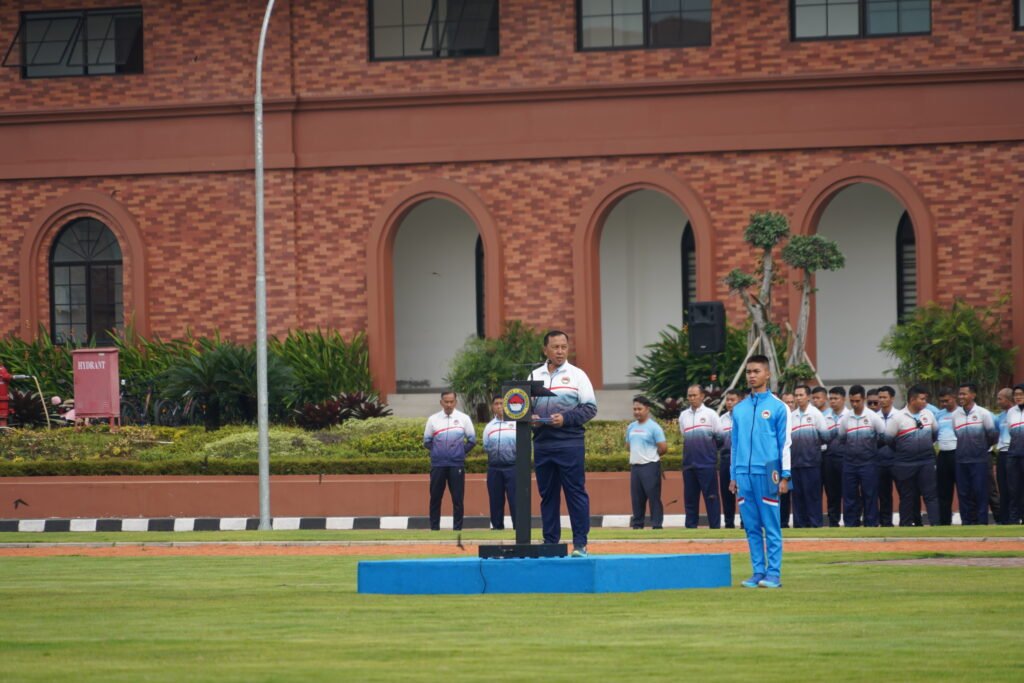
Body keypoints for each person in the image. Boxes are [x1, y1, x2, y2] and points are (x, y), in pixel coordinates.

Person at [529, 330, 597, 557]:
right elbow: (523, 408)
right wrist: (531, 418)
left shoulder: (578, 375)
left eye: (564, 347)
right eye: (555, 347)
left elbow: (590, 408)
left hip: (570, 443)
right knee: (548, 495)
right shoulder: (533, 376)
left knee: (575, 493)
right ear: (545, 350)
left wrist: (565, 419)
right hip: (542, 444)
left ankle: (580, 544)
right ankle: (550, 543)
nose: (560, 351)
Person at [729, 355, 791, 588]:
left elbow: (785, 444)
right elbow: (735, 445)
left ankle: (773, 573)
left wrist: (785, 475)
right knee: (751, 527)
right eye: (748, 372)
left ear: (767, 374)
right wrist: (733, 475)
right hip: (743, 475)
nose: (752, 375)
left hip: (768, 474)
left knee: (771, 526)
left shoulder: (779, 407)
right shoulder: (739, 409)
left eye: (756, 371)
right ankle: (758, 572)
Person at [885, 385, 939, 526]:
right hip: (905, 463)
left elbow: (934, 434)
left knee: (931, 495)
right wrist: (905, 451)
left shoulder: (929, 414)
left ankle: (936, 525)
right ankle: (905, 525)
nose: (925, 402)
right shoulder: (897, 418)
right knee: (907, 496)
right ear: (912, 400)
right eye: (922, 399)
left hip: (926, 461)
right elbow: (889, 440)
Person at [423, 390, 476, 531]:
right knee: (435, 498)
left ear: (455, 402)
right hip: (438, 465)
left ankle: (457, 529)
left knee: (457, 499)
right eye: (446, 402)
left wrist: (459, 452)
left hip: (456, 464)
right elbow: (427, 441)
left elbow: (472, 440)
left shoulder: (464, 418)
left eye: (451, 402)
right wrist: (438, 452)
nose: (449, 404)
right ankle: (434, 529)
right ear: (441, 402)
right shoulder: (433, 419)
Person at [952, 383, 999, 525]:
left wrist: (980, 448)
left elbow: (992, 436)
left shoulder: (983, 413)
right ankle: (967, 522)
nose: (961, 397)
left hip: (979, 460)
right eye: (960, 394)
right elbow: (957, 434)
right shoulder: (955, 415)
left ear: (973, 395)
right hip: (961, 460)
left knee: (980, 492)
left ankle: (982, 522)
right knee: (964, 493)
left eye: (964, 394)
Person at [839, 385, 885, 527]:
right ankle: (850, 524)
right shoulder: (846, 418)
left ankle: (871, 524)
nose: (854, 404)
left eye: (857, 401)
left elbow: (883, 437)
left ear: (864, 399)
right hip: (850, 463)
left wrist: (870, 450)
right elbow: (842, 438)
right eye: (852, 401)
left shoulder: (873, 417)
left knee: (870, 494)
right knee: (849, 495)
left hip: (868, 462)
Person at [679, 384, 722, 529]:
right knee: (690, 499)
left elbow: (720, 438)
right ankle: (691, 528)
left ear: (702, 396)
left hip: (707, 464)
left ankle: (715, 528)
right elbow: (685, 436)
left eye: (694, 395)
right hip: (689, 465)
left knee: (711, 498)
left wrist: (710, 454)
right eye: (689, 396)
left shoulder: (711, 414)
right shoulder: (683, 416)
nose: (691, 398)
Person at [789, 385, 830, 528]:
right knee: (797, 497)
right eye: (796, 395)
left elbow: (825, 437)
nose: (798, 398)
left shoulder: (816, 414)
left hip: (811, 463)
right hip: (795, 464)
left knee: (812, 496)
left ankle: (815, 525)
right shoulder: (792, 416)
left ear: (808, 397)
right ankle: (799, 526)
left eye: (801, 395)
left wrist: (813, 450)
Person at [626, 395, 667, 530]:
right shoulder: (631, 427)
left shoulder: (654, 427)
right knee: (637, 499)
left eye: (640, 409)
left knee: (653, 497)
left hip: (650, 466)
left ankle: (656, 525)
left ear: (647, 409)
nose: (637, 412)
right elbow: (628, 446)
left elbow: (663, 447)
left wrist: (651, 455)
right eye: (635, 409)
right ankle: (638, 525)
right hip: (635, 467)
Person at [482, 395, 517, 531]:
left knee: (515, 500)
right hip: (494, 468)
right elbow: (486, 446)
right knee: (495, 500)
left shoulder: (516, 424)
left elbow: (524, 446)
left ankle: (518, 528)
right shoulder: (489, 427)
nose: (499, 406)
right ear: (492, 407)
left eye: (502, 403)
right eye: (496, 404)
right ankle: (497, 527)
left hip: (513, 467)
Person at [931, 388, 959, 525]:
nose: (944, 404)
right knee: (943, 491)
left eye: (947, 401)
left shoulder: (961, 413)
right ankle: (944, 522)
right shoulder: (939, 415)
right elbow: (933, 434)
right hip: (943, 454)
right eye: (941, 401)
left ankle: (969, 521)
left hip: (958, 453)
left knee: (964, 490)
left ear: (954, 397)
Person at [822, 386, 849, 527]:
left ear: (843, 399)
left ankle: (851, 521)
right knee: (832, 493)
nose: (832, 401)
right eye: (830, 398)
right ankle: (833, 522)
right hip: (829, 458)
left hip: (846, 458)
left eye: (836, 398)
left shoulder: (850, 416)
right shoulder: (824, 417)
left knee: (848, 492)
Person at [874, 386, 899, 526]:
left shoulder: (899, 415)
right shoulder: (873, 416)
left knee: (904, 492)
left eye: (885, 397)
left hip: (897, 460)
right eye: (880, 397)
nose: (882, 400)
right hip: (879, 461)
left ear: (892, 398)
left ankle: (908, 521)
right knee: (883, 495)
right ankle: (886, 522)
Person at [717, 389, 741, 529]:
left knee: (743, 493)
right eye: (728, 400)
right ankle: (729, 523)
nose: (729, 403)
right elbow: (718, 441)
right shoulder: (721, 419)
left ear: (740, 401)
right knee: (726, 494)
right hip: (726, 460)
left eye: (733, 400)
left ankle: (745, 523)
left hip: (742, 460)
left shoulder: (745, 418)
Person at [993, 388, 1013, 524]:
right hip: (1002, 454)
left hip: (1015, 453)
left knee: (1015, 487)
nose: (998, 402)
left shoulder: (1019, 414)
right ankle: (1005, 519)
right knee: (1003, 487)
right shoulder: (999, 417)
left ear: (1009, 399)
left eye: (1000, 399)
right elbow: (994, 434)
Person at [1006, 384, 1024, 525]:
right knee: (1013, 489)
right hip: (1013, 455)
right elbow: (1010, 432)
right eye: (1016, 394)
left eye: (1021, 394)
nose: (1018, 397)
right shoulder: (1011, 412)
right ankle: (1014, 520)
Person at [779, 390, 797, 527]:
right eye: (787, 402)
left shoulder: (798, 417)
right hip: (782, 463)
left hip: (798, 463)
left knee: (798, 495)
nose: (789, 405)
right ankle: (783, 523)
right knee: (782, 494)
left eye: (791, 402)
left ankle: (799, 524)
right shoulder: (779, 418)